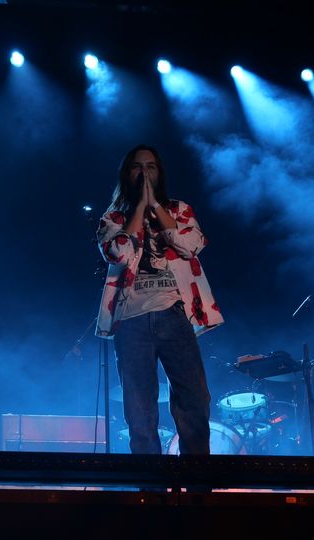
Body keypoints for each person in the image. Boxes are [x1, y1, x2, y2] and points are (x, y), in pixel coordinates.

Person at [96, 144, 224, 455]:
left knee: (194, 401)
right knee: (140, 412)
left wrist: (156, 206)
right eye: (137, 167)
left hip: (174, 313)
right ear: (128, 174)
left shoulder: (179, 210)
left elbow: (190, 244)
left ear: (159, 172)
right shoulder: (113, 218)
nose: (144, 172)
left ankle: (196, 487)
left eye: (150, 166)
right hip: (131, 319)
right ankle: (150, 494)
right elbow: (119, 253)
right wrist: (139, 208)